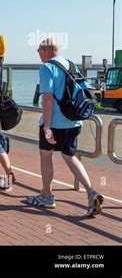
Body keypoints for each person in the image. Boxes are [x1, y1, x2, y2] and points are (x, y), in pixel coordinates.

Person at [26, 38, 103, 217]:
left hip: (55, 122)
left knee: (46, 156)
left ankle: (47, 196)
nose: (38, 54)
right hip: (75, 121)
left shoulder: (47, 67)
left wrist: (46, 126)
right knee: (70, 156)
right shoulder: (71, 65)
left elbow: (47, 98)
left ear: (45, 50)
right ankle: (91, 192)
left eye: (38, 50)